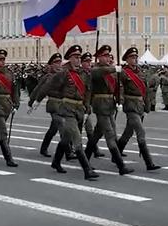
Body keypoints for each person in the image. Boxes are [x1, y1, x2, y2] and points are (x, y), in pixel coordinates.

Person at [47, 45, 98, 180]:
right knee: (77, 138)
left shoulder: (84, 74)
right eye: (75, 57)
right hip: (67, 109)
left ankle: (56, 162)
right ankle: (87, 170)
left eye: (79, 57)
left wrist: (87, 106)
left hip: (79, 109)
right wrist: (60, 101)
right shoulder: (63, 72)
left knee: (66, 138)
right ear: (69, 58)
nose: (78, 60)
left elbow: (87, 91)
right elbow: (52, 87)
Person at [84, 45, 133, 175]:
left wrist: (119, 99)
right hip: (101, 106)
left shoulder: (111, 70)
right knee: (110, 134)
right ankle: (121, 165)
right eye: (105, 56)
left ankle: (85, 159)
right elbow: (99, 73)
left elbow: (121, 79)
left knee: (96, 135)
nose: (107, 58)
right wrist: (113, 68)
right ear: (99, 57)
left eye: (108, 56)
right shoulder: (95, 70)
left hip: (110, 105)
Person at [116, 47, 161, 171]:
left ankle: (117, 153)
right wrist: (120, 100)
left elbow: (145, 90)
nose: (134, 59)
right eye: (132, 57)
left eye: (136, 57)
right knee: (140, 132)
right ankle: (149, 162)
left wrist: (147, 106)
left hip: (140, 105)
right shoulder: (124, 73)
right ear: (127, 59)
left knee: (128, 132)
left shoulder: (140, 72)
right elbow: (120, 88)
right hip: (130, 106)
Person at [28, 53, 64, 158]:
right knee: (61, 125)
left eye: (59, 62)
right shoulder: (48, 76)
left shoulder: (64, 75)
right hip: (53, 103)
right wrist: (32, 102)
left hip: (63, 104)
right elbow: (39, 89)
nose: (58, 65)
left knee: (54, 128)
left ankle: (44, 148)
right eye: (55, 63)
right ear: (51, 65)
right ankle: (68, 150)